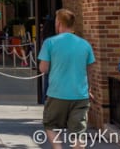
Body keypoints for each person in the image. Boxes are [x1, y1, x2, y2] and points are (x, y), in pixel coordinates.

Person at [38, 9, 96, 149]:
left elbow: (43, 69)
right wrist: (89, 89)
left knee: (50, 125)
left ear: (59, 23)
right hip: (80, 95)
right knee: (78, 132)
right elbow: (90, 71)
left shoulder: (50, 43)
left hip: (57, 94)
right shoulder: (85, 44)